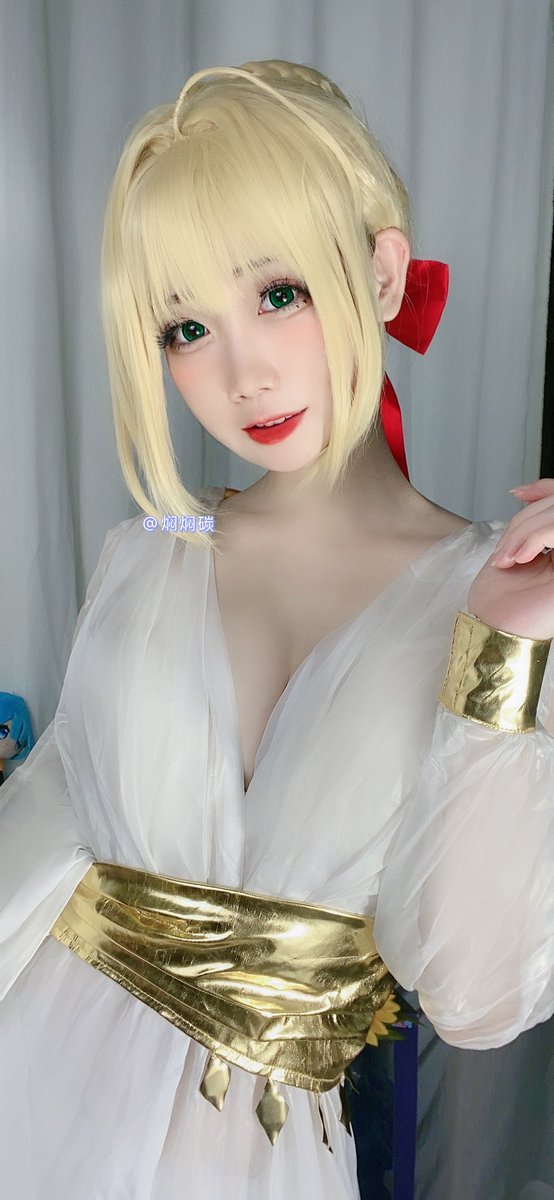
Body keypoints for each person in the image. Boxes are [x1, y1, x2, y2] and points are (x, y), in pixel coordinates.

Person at [0, 58, 552, 1200]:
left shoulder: (488, 599)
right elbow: (35, 843)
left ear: (382, 273)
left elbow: (474, 990)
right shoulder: (149, 549)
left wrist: (508, 652)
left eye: (279, 294)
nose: (241, 373)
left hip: (258, 1161)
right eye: (186, 326)